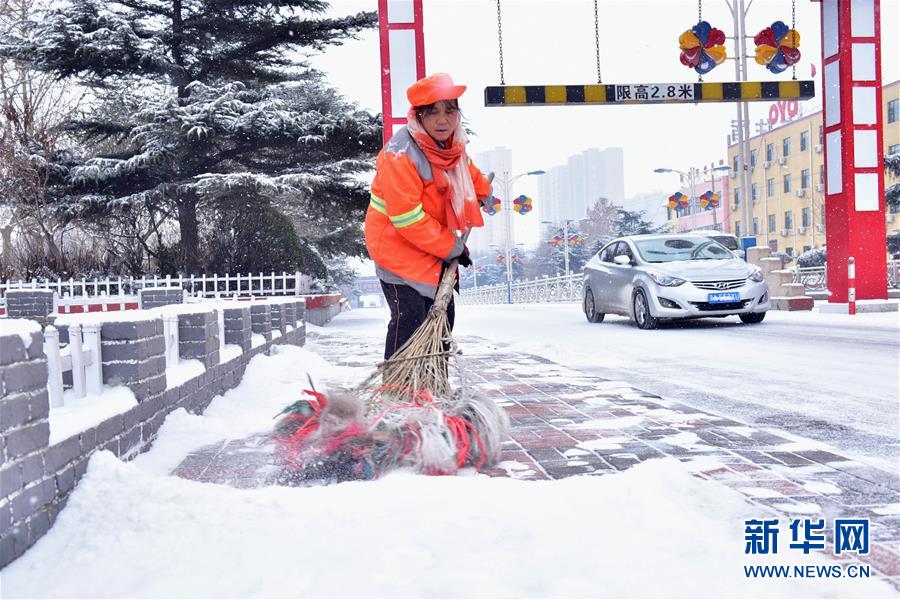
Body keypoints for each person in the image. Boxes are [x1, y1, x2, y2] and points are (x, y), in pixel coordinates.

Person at [365, 73, 493, 360]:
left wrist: (483, 192)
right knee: (410, 319)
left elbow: (469, 174)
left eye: (450, 110)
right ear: (418, 116)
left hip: (431, 248)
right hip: (396, 249)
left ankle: (434, 386)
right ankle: (398, 390)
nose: (443, 120)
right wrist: (452, 248)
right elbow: (407, 218)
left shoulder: (452, 147)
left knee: (442, 319)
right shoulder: (400, 156)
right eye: (432, 112)